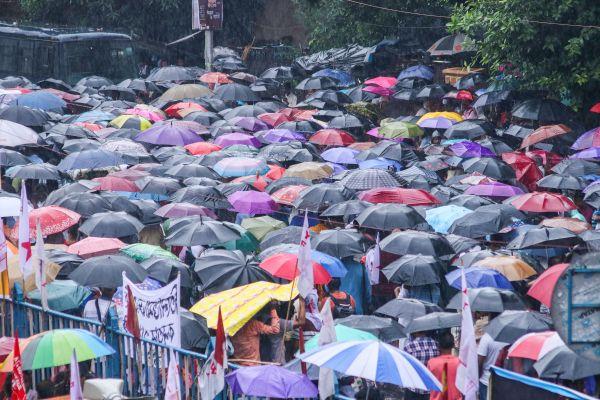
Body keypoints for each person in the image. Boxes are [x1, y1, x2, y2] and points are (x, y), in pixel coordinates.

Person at [231, 302, 281, 366]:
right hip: (253, 366)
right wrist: (273, 309)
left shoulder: (231, 325)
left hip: (237, 366)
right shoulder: (252, 324)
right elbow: (275, 329)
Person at [404, 331, 440, 400]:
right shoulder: (436, 345)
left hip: (413, 387)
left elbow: (405, 368)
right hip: (431, 389)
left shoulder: (409, 347)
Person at [427, 332, 461, 400]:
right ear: (453, 345)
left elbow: (428, 384)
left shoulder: (431, 363)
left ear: (438, 346)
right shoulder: (459, 363)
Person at [478, 333, 508, 400]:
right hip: (503, 381)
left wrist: (478, 378)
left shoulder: (486, 338)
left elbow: (479, 362)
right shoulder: (509, 338)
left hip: (486, 381)